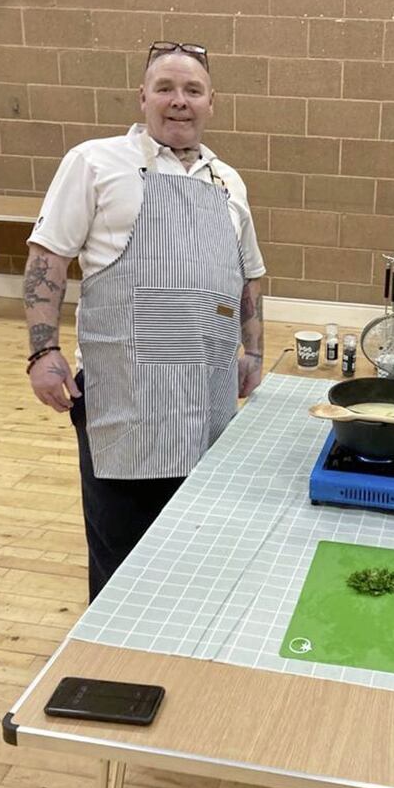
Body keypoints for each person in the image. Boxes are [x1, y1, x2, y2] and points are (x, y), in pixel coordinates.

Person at [23, 41, 266, 601]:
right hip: (126, 394)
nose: (178, 101)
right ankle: (116, 660)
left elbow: (249, 275)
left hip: (205, 392)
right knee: (122, 550)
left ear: (211, 103)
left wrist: (252, 351)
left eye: (192, 90)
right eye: (165, 88)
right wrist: (42, 350)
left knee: (195, 535)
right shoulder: (94, 162)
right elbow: (47, 259)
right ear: (143, 97)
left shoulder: (227, 181)